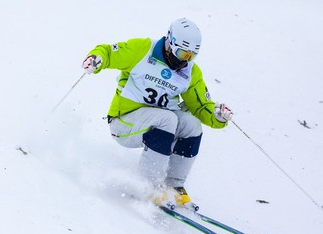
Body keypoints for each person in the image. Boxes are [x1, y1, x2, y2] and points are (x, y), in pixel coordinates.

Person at [82, 18, 233, 209]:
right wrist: (97, 59)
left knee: (191, 124)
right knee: (167, 118)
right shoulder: (143, 50)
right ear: (170, 42)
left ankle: (174, 186)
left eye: (191, 56)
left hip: (158, 125)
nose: (184, 60)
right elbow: (109, 52)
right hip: (124, 122)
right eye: (182, 53)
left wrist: (217, 116)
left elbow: (201, 106)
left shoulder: (190, 72)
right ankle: (148, 186)